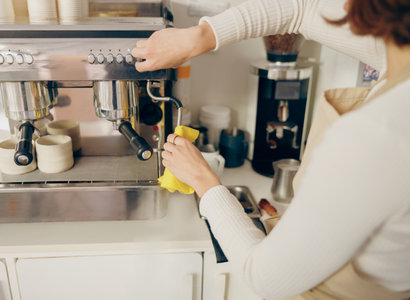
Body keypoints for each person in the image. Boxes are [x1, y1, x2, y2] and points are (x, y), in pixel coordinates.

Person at [132, 1, 410, 299]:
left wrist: (204, 181)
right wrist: (200, 36)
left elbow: (264, 278)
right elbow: (301, 10)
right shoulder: (397, 56)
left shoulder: (378, 135)